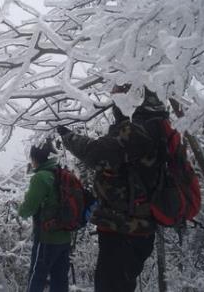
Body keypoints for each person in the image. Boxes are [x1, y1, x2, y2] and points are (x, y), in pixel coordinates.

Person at [57, 87, 168, 292]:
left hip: (124, 228)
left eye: (118, 101)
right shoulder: (155, 127)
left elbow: (96, 153)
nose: (116, 107)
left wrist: (68, 136)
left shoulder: (137, 130)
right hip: (136, 226)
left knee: (111, 286)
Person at [18, 139, 71, 292]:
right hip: (65, 237)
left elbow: (27, 209)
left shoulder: (41, 177)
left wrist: (20, 210)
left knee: (37, 277)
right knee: (60, 280)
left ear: (35, 158)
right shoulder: (61, 173)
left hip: (47, 239)